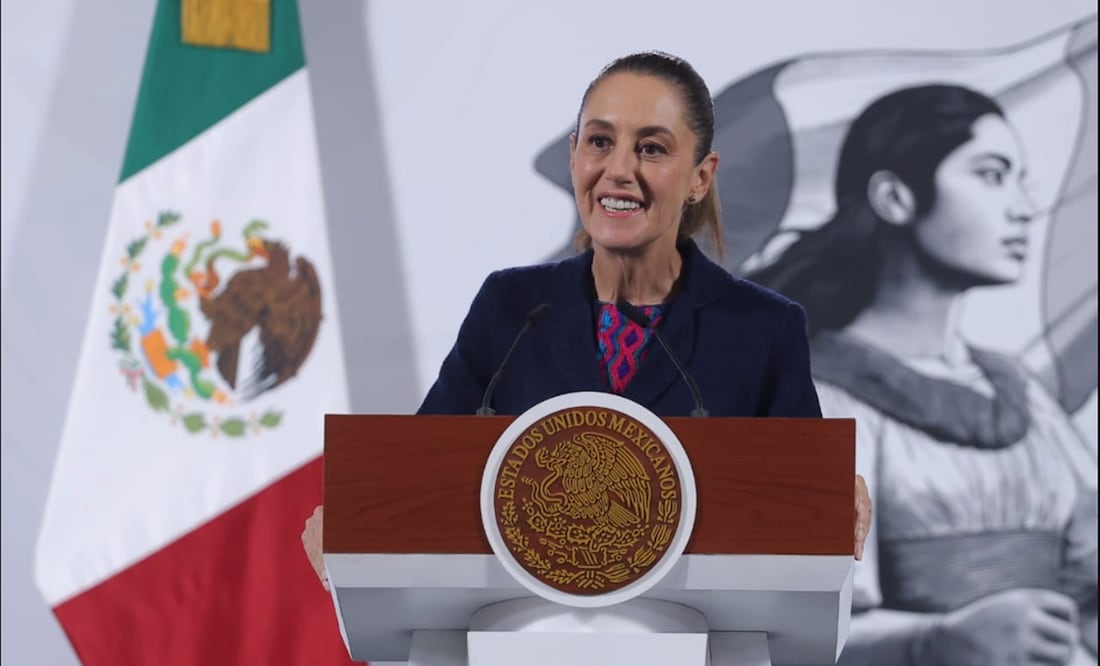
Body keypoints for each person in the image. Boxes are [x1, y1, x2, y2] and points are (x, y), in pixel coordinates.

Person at [302, 50, 873, 587]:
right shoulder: (510, 308)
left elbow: (804, 514)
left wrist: (831, 504)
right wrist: (355, 519)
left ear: (701, 176)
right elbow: (419, 479)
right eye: (601, 142)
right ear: (576, 156)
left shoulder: (762, 327)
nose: (618, 170)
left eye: (651, 148)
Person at [746, 84, 1098, 665]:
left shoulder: (1023, 395)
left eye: (1019, 178)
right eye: (990, 175)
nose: (1021, 206)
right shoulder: (817, 396)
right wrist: (937, 640)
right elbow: (788, 637)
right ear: (895, 197)